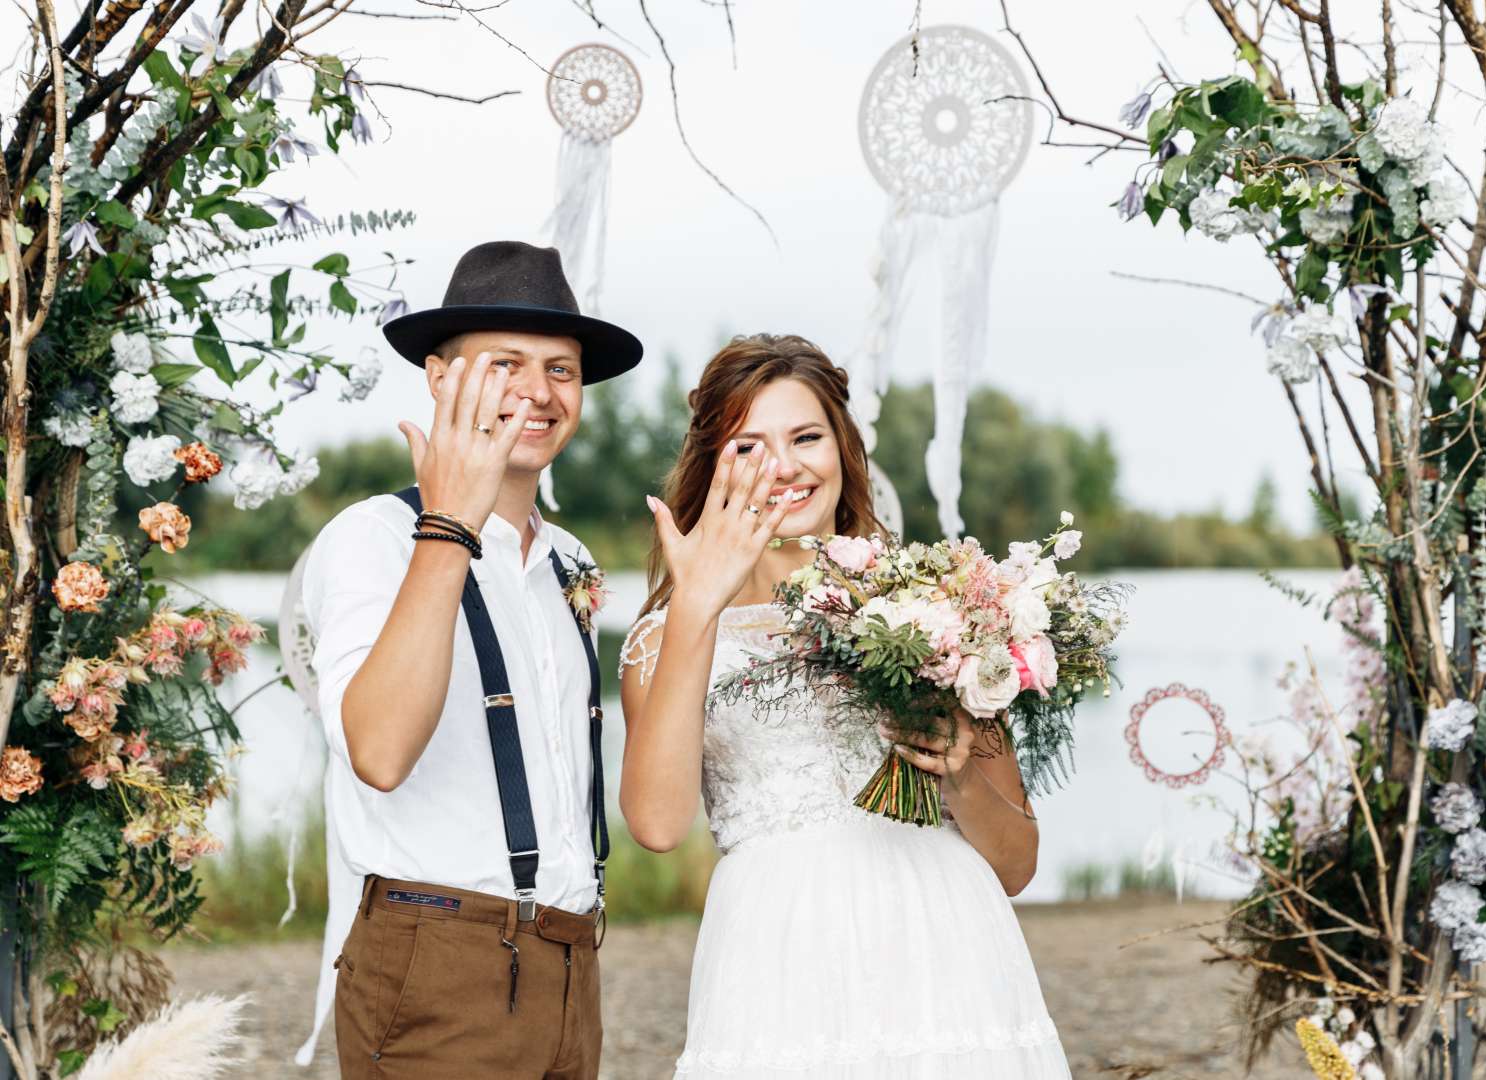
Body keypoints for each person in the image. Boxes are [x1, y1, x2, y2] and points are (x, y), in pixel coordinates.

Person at [618, 333, 1071, 1078]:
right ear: (712, 464)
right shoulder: (665, 636)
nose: (785, 466)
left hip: (946, 952)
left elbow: (1017, 863)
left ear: (844, 449)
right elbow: (658, 825)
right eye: (749, 446)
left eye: (806, 437)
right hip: (778, 962)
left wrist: (955, 769)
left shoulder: (935, 606)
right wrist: (698, 606)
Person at [302, 241, 640, 1079]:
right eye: (504, 365)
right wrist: (449, 525)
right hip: (436, 958)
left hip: (571, 964)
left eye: (562, 370)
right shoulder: (370, 537)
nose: (539, 391)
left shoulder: (571, 560)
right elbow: (379, 752)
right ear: (440, 378)